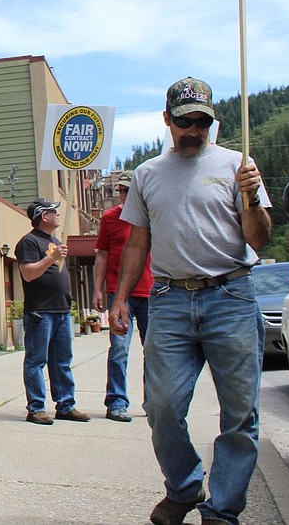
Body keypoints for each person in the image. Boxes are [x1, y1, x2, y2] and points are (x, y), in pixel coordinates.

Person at [110, 77, 271, 525]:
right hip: (169, 300)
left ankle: (221, 510)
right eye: (185, 122)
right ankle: (183, 487)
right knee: (160, 406)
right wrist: (120, 299)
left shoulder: (238, 166)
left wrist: (252, 198)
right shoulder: (147, 174)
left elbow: (258, 238)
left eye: (203, 122)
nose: (194, 130)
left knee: (239, 414)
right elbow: (137, 244)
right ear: (168, 120)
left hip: (232, 295)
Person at [16, 199, 90, 425]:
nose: (58, 215)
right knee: (36, 361)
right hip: (40, 311)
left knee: (62, 361)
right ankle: (36, 407)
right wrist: (52, 257)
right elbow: (29, 274)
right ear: (43, 216)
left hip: (61, 310)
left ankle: (66, 405)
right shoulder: (29, 242)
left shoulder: (55, 241)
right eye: (53, 211)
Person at [92, 170, 153, 422]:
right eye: (121, 190)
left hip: (151, 291)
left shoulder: (151, 214)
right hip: (119, 293)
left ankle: (154, 402)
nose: (124, 194)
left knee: (155, 351)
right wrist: (97, 288)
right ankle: (116, 401)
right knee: (119, 349)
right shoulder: (110, 218)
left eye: (128, 190)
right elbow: (102, 254)